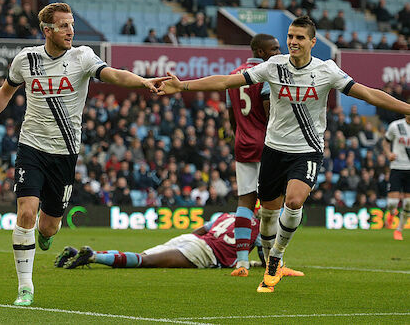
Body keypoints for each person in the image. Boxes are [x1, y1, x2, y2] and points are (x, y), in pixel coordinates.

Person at [157, 16, 410, 292]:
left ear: (313, 42)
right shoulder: (274, 66)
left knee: (294, 201)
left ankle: (276, 257)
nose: (293, 41)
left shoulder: (327, 71)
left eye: (300, 37)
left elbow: (369, 94)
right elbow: (227, 81)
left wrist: (406, 109)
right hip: (274, 150)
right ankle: (269, 259)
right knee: (267, 214)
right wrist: (182, 86)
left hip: (307, 151)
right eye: (290, 36)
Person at [0, 2, 168, 306]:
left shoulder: (82, 57)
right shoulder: (27, 60)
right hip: (31, 146)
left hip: (64, 152)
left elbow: (112, 74)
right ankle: (26, 288)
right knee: (26, 212)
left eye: (72, 24)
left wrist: (143, 81)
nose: (70, 31)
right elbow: (6, 90)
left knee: (49, 225)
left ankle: (45, 233)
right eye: (64, 25)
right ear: (47, 30)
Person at [57, 213, 303, 276]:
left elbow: (202, 229)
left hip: (192, 239)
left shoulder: (227, 214)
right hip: (204, 252)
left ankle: (87, 254)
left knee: (142, 255)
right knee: (144, 262)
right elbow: (265, 255)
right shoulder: (261, 229)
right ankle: (92, 257)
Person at [225, 33, 280, 277]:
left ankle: (242, 262)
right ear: (260, 52)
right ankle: (274, 262)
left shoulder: (234, 74)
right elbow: (271, 113)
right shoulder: (268, 73)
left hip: (243, 144)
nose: (278, 53)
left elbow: (231, 115)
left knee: (245, 202)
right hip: (267, 145)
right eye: (274, 49)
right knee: (273, 204)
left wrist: (240, 136)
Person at [383, 108, 410, 240]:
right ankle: (392, 213)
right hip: (397, 167)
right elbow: (385, 142)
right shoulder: (396, 126)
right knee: (393, 202)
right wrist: (388, 154)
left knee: (408, 203)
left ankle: (399, 230)